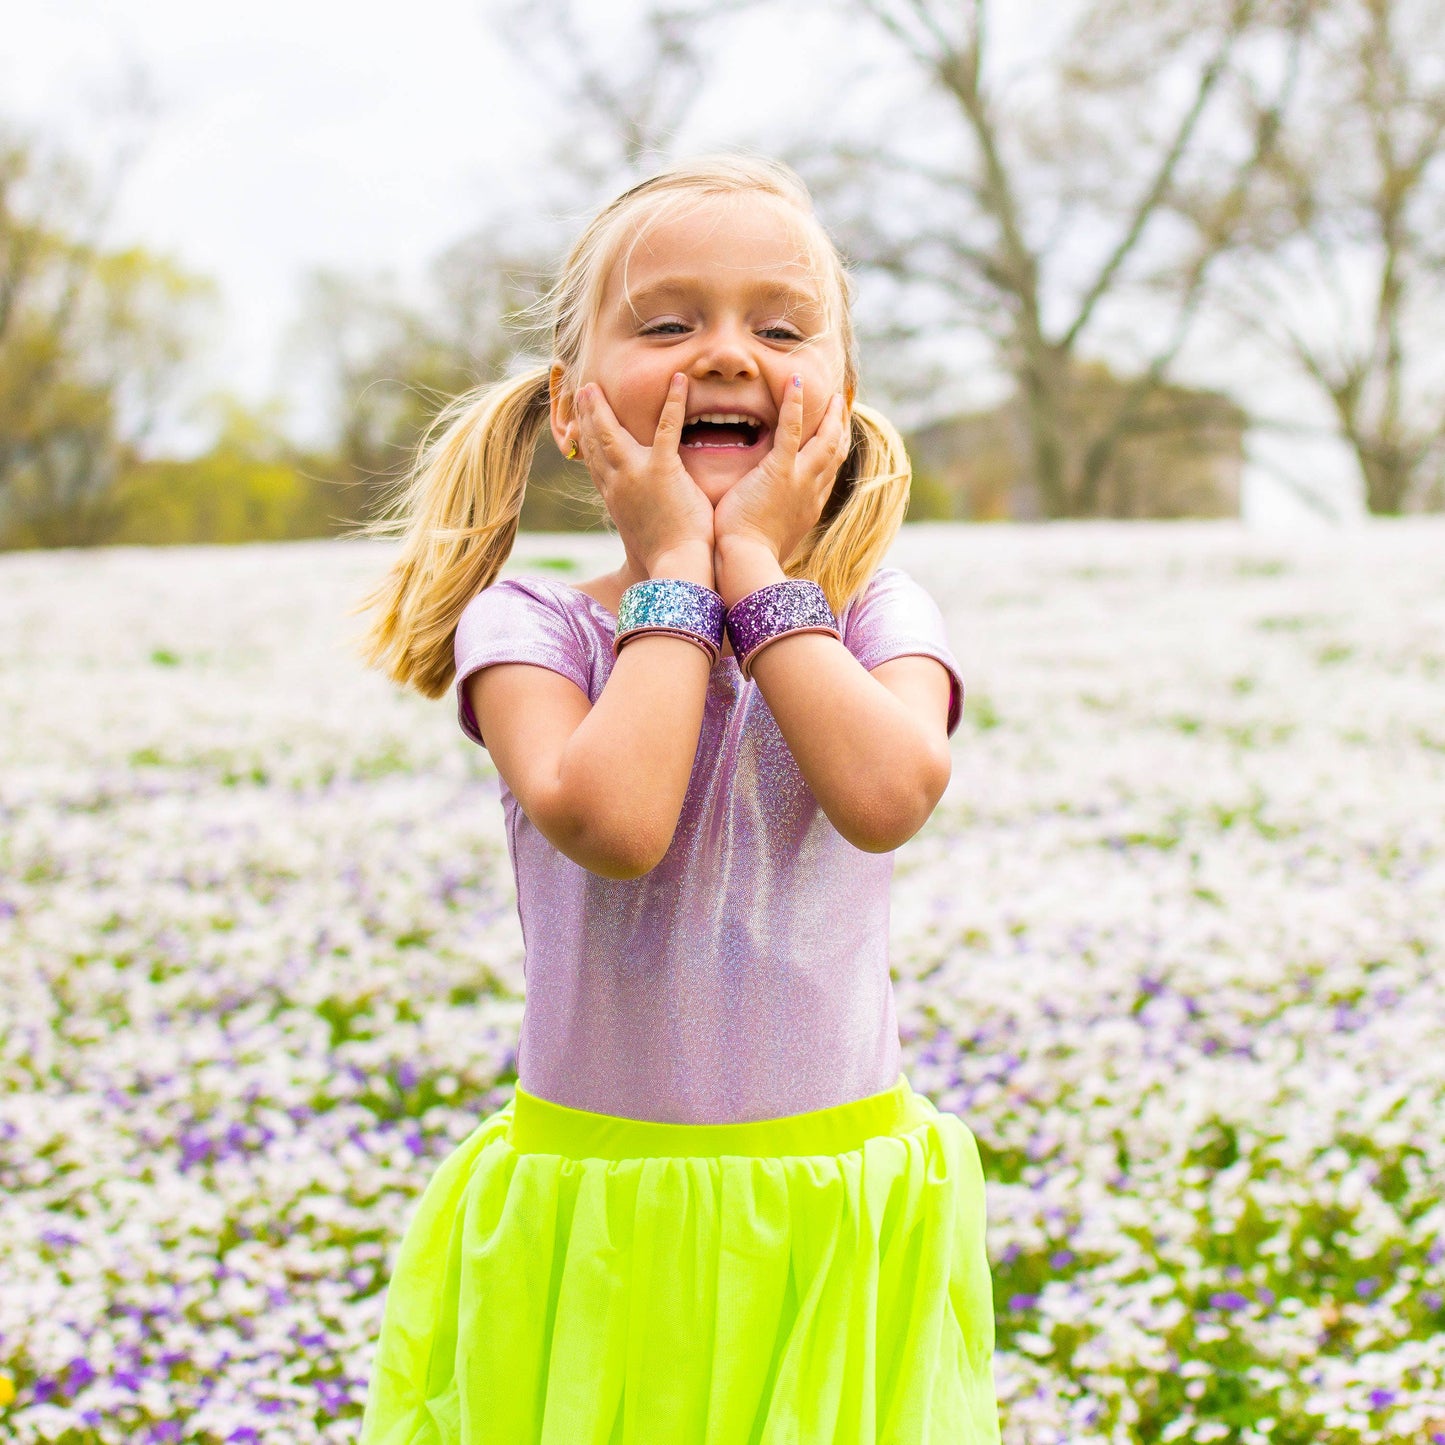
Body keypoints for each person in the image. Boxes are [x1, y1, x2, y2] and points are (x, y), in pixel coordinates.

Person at [354, 153, 999, 1444]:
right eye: (665, 323)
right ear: (574, 404)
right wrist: (672, 578)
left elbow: (885, 792)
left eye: (779, 325)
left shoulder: (876, 615)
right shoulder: (531, 625)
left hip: (828, 1219)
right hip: (600, 1227)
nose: (725, 353)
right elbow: (618, 823)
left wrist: (757, 570)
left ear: (841, 395)